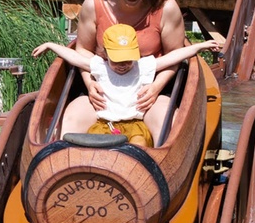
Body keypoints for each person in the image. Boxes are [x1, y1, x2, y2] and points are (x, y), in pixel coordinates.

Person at [63, 0, 188, 145]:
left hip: (147, 90)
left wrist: (156, 87)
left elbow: (175, 56)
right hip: (104, 87)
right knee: (71, 117)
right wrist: (90, 83)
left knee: (167, 121)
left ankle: (157, 170)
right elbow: (83, 50)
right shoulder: (94, 4)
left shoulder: (166, 8)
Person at [33, 24, 219, 147]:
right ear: (106, 54)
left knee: (137, 149)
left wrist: (198, 47)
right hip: (105, 124)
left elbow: (173, 57)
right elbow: (75, 57)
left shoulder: (143, 66)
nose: (123, 65)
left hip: (135, 125)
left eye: (128, 60)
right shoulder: (100, 66)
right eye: (117, 60)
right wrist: (51, 45)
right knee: (93, 148)